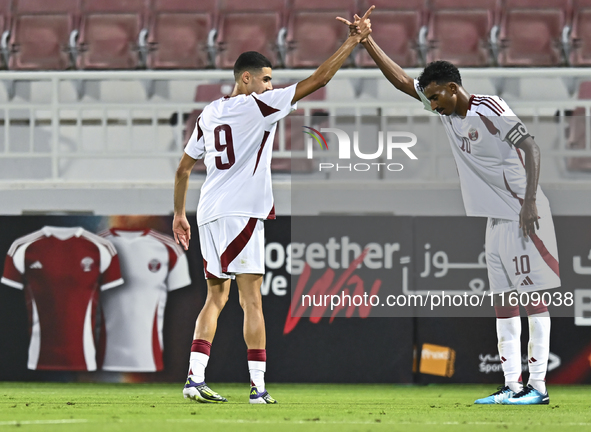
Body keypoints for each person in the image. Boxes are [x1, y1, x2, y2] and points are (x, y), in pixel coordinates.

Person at [338, 13, 558, 405]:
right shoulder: (446, 110)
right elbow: (405, 83)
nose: (432, 104)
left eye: (436, 96)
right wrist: (366, 42)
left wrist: (528, 203)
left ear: (453, 88)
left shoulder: (490, 109)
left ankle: (537, 387)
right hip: (496, 218)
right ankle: (511, 386)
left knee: (532, 298)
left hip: (525, 212)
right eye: (430, 98)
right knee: (504, 303)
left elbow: (531, 147)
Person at [172, 7, 374, 404]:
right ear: (245, 79)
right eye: (265, 79)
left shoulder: (209, 113)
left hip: (209, 211)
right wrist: (354, 40)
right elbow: (320, 79)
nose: (269, 86)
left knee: (215, 297)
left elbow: (183, 170)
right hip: (243, 212)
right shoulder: (257, 104)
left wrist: (180, 214)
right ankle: (258, 387)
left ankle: (194, 378)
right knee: (252, 300)